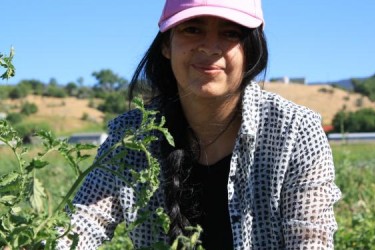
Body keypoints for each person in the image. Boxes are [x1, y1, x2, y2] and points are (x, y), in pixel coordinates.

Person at [58, 0, 341, 249]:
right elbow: (83, 222)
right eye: (192, 29)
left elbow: (310, 240)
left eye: (230, 33)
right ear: (166, 45)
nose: (209, 46)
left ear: (251, 50)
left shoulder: (294, 133)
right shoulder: (132, 136)